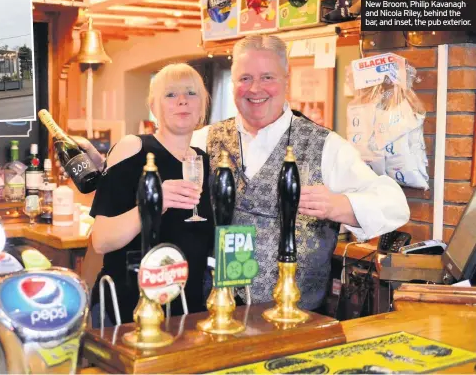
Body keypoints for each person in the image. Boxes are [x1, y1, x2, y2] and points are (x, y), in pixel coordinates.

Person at [189, 35, 410, 311]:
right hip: (217, 312)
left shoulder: (325, 146)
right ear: (233, 83)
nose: (255, 89)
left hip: (297, 318)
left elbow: (395, 205)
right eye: (244, 78)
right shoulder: (202, 140)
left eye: (267, 77)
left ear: (286, 80)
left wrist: (339, 205)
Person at [86, 63, 214, 326]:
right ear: (153, 107)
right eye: (170, 95)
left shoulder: (201, 161)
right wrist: (153, 204)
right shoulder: (134, 148)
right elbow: (101, 240)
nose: (182, 101)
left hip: (187, 310)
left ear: (202, 106)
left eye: (191, 94)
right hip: (129, 308)